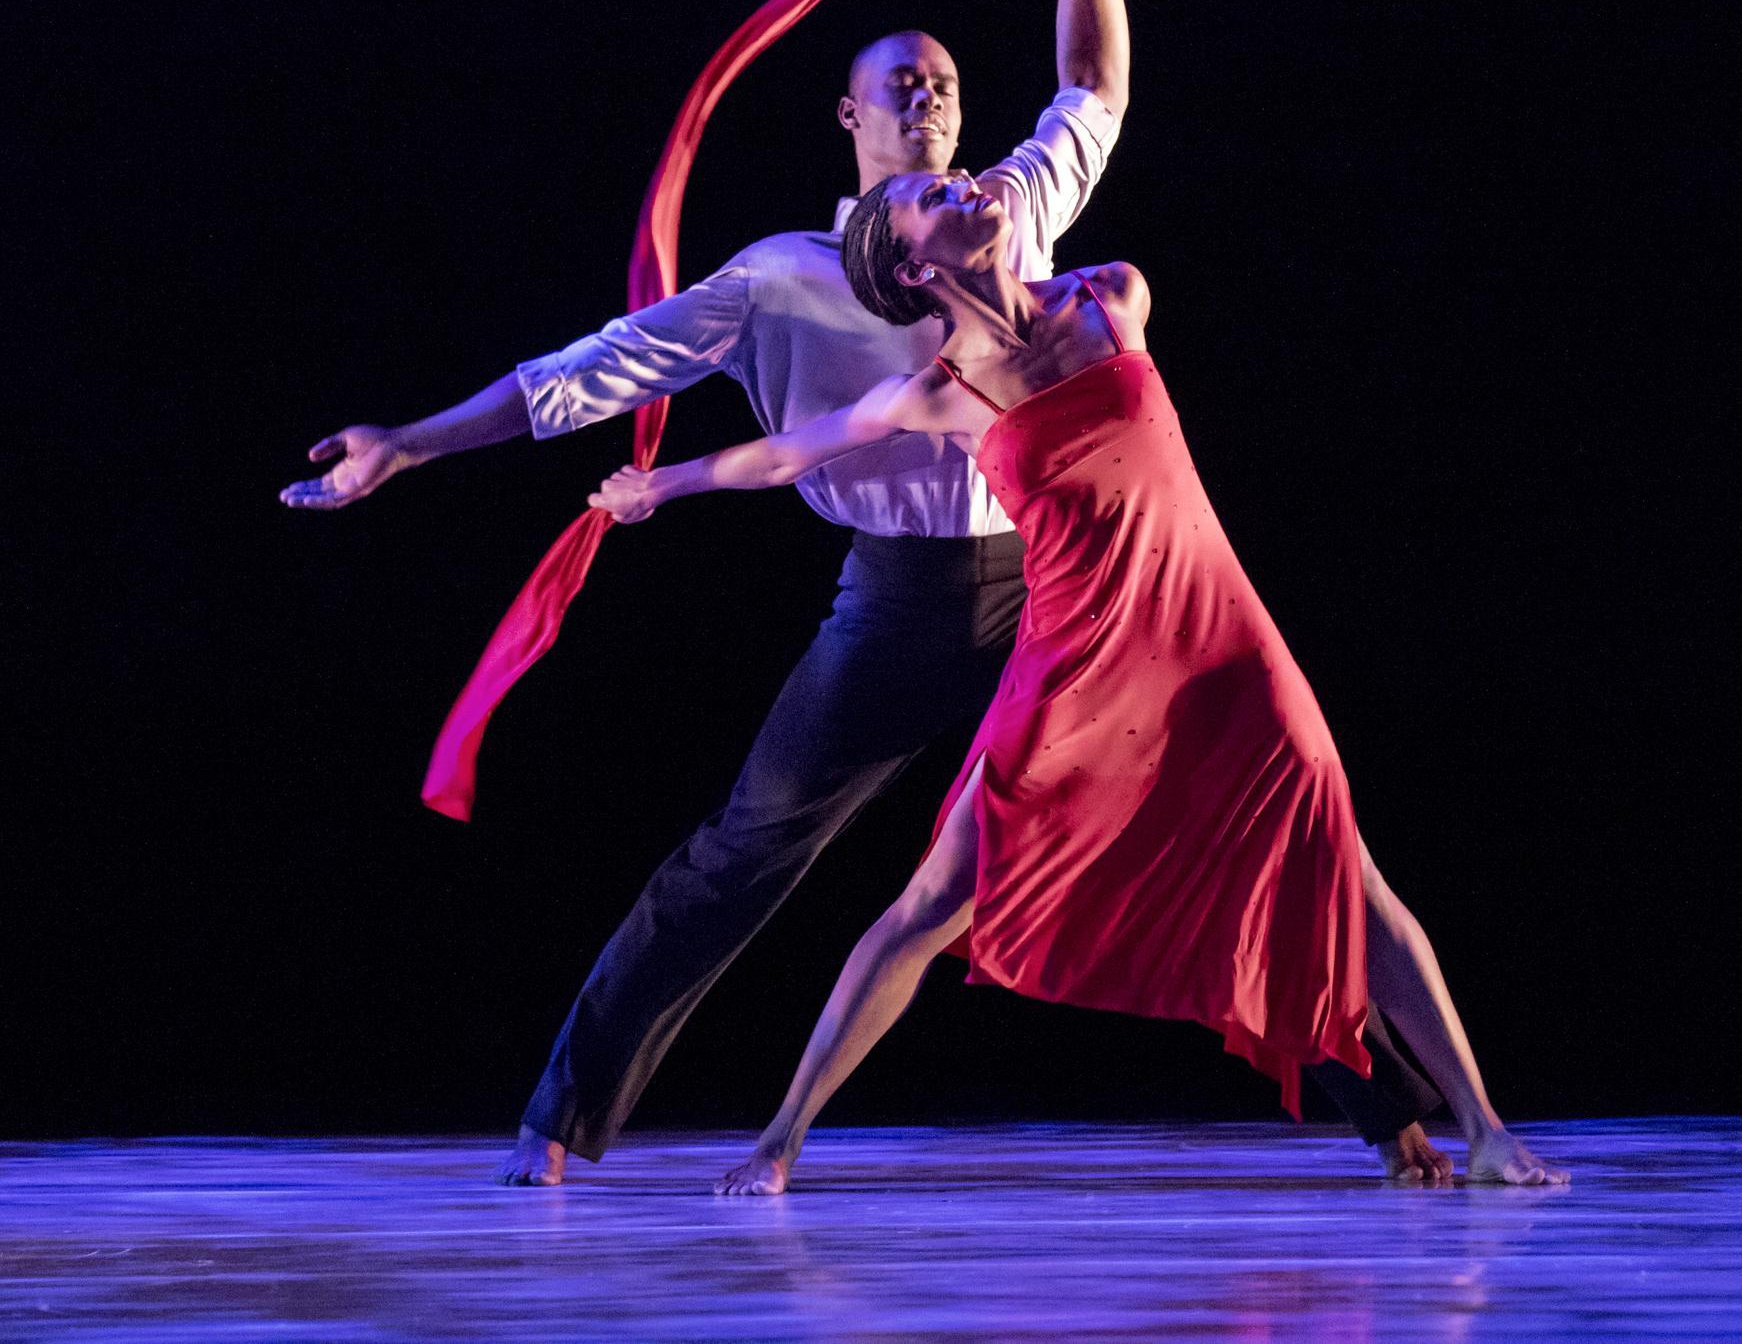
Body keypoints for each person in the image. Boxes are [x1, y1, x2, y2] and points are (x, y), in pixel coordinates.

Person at [280, 0, 1460, 1187]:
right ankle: (558, 1126)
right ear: (848, 116)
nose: (930, 106)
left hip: (1048, 591)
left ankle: (1401, 1121)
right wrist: (408, 447)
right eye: (901, 87)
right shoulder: (776, 278)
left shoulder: (1007, 213)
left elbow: (1092, 85)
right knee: (739, 853)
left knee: (1200, 822)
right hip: (889, 605)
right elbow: (578, 379)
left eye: (946, 90)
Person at [586, 168, 1568, 1192]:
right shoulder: (940, 391)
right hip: (1075, 664)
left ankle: (1487, 1129)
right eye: (934, 189)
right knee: (933, 902)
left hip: (1221, 649)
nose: (967, 177)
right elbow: (791, 452)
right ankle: (778, 1140)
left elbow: (1093, 78)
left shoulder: (1112, 294)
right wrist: (660, 483)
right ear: (914, 261)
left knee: (1349, 879)